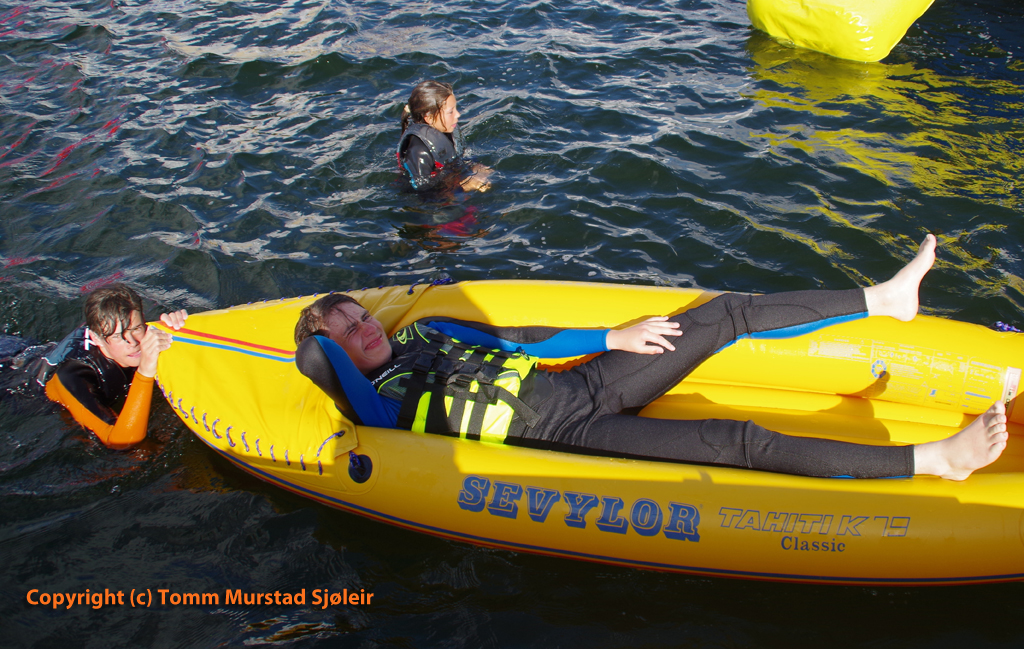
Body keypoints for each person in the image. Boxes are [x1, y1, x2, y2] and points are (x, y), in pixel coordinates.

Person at [293, 235, 1008, 481]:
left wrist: (614, 338)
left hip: (582, 384)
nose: (363, 326)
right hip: (564, 436)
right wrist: (317, 330)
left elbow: (521, 337)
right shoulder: (373, 399)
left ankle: (883, 299)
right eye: (345, 327)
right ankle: (934, 461)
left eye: (360, 313)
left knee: (722, 312)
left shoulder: (424, 331)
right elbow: (318, 361)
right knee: (734, 440)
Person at [43, 284, 187, 449]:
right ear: (96, 339)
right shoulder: (73, 375)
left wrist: (178, 328)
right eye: (118, 336)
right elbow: (120, 443)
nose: (132, 342)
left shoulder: (140, 333)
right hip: (25, 387)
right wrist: (145, 372)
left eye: (136, 328)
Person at [398, 80, 492, 193]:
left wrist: (474, 166)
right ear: (430, 118)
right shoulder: (418, 150)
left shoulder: (445, 130)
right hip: (431, 199)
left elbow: (457, 158)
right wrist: (464, 185)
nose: (458, 114)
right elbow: (423, 191)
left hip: (451, 182)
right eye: (451, 112)